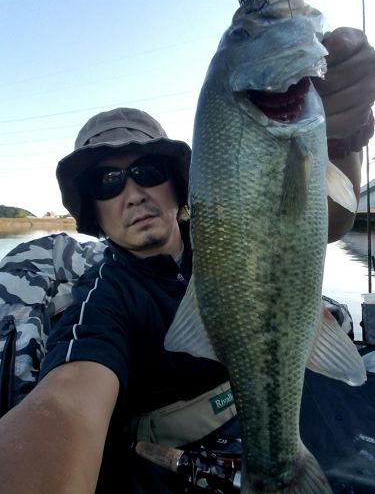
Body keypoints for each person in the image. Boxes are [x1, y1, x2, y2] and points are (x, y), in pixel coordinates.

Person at [0, 26, 374, 494]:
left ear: (179, 184)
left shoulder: (234, 229)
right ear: (92, 210)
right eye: (108, 183)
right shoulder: (105, 298)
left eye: (148, 171)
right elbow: (67, 404)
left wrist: (340, 141)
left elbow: (332, 220)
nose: (133, 193)